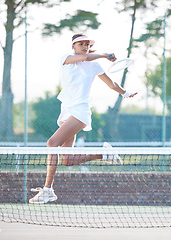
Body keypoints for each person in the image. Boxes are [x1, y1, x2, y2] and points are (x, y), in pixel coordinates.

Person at [29, 33, 137, 204]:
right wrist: (103, 54)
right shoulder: (66, 58)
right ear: (73, 46)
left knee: (52, 143)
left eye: (87, 44)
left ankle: (48, 190)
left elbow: (111, 84)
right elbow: (85, 57)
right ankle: (103, 154)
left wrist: (125, 93)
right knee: (67, 160)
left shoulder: (94, 64)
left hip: (80, 111)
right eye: (81, 44)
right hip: (66, 111)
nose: (85, 46)